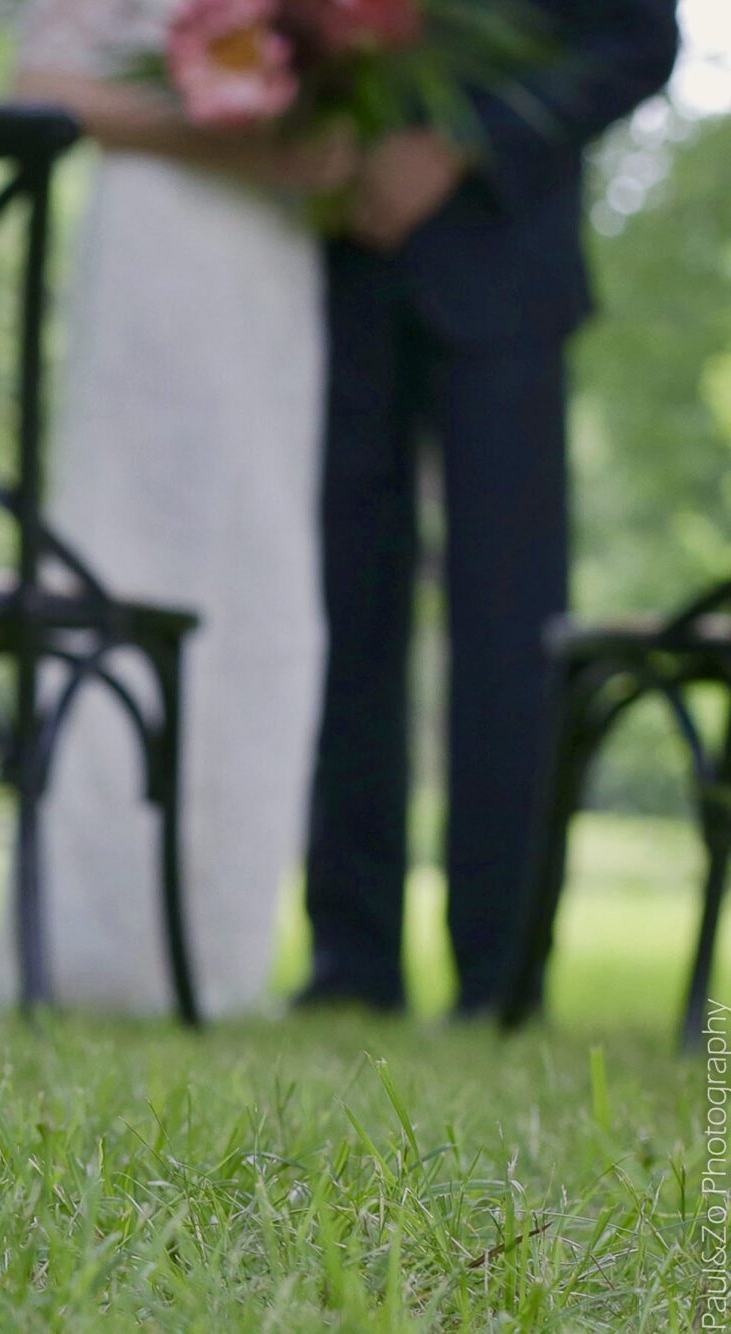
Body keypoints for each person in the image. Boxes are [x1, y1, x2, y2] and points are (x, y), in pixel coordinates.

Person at [301, 0, 682, 1016]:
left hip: (506, 271)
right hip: (343, 265)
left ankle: (499, 972)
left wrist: (457, 145)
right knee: (342, 617)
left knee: (510, 629)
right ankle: (347, 958)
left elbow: (640, 44)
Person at [12, 0, 354, 1015]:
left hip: (272, 261)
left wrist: (312, 137)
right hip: (155, 240)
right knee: (124, 547)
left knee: (255, 584)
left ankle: (218, 942)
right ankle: (80, 934)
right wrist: (209, 128)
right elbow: (37, 87)